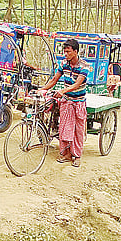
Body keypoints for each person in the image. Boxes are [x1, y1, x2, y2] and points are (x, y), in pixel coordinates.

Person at [38, 39, 89, 168]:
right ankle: (65, 153)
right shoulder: (63, 64)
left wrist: (63, 90)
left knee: (78, 130)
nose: (65, 54)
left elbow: (78, 84)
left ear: (75, 52)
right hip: (66, 101)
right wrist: (42, 89)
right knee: (64, 128)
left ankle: (77, 156)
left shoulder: (84, 66)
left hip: (79, 102)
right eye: (64, 51)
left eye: (68, 51)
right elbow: (54, 79)